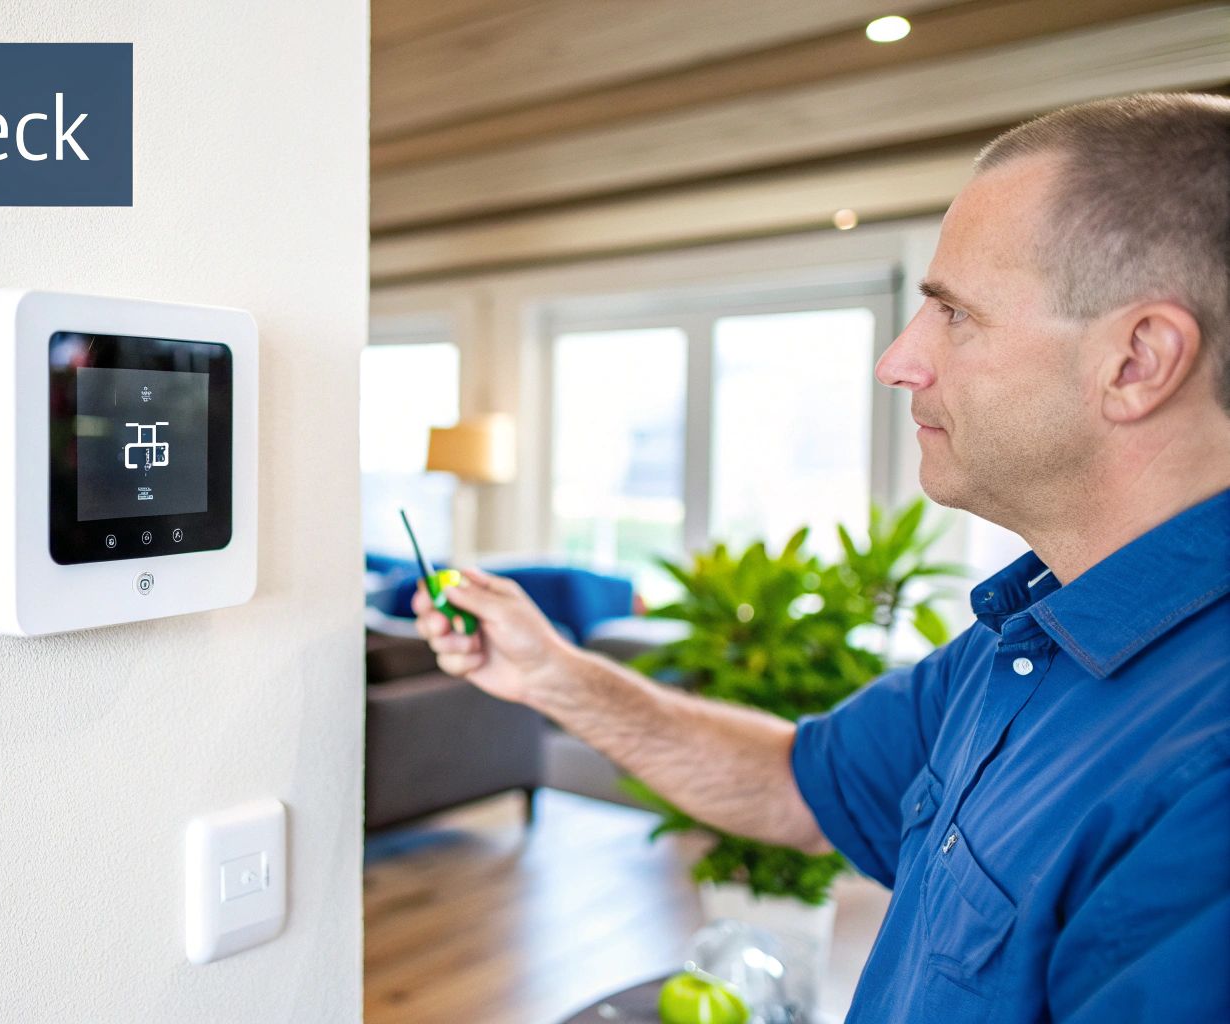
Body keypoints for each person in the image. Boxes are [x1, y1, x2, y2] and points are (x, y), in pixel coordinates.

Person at [413, 92, 1230, 1023]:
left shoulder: (1206, 780)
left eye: (955, 314)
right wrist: (552, 673)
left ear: (1137, 361)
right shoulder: (1035, 636)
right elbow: (795, 785)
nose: (898, 360)